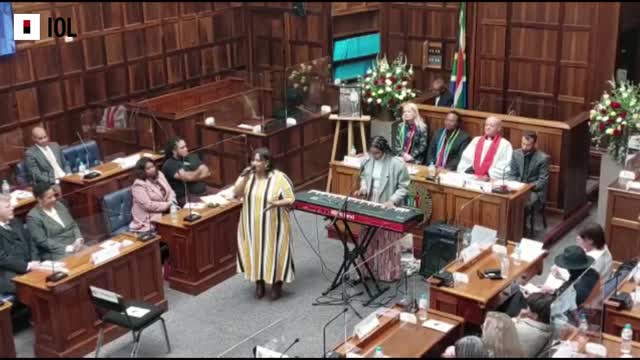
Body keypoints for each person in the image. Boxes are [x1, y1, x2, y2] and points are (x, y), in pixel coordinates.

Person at [233, 148, 295, 301]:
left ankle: (277, 284)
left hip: (275, 225)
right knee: (255, 252)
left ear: (267, 163)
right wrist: (243, 177)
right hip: (251, 224)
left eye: (258, 160)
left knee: (275, 252)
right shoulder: (249, 177)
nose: (254, 163)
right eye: (253, 160)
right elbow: (237, 193)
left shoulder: (279, 178)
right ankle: (259, 282)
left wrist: (277, 203)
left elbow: (291, 198)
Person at [353, 136, 410, 282]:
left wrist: (392, 200)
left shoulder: (397, 164)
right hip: (371, 202)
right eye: (372, 153)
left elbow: (404, 187)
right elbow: (364, 178)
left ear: (384, 150)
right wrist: (363, 188)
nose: (374, 156)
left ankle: (387, 274)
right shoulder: (366, 160)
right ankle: (365, 271)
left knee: (386, 240)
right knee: (367, 239)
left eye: (377, 153)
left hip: (388, 203)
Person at [27, 182, 84, 261]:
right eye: (49, 197)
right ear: (39, 199)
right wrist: (68, 248)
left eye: (54, 195)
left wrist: (79, 239)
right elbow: (43, 241)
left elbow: (73, 224)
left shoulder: (59, 205)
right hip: (57, 252)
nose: (54, 199)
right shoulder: (33, 217)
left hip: (76, 245)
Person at [0, 195, 39, 296]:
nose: (12, 208)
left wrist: (35, 259)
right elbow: (3, 259)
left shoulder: (16, 221)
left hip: (32, 264)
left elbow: (31, 241)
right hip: (10, 272)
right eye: (8, 207)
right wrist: (27, 266)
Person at [457, 116, 513, 181]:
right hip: (472, 178)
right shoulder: (476, 140)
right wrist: (471, 173)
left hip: (491, 180)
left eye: (491, 126)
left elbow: (504, 166)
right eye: (486, 125)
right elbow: (466, 159)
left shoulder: (505, 144)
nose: (487, 127)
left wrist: (487, 176)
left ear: (499, 128)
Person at [130, 157, 176, 233]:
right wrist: (167, 205)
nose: (152, 169)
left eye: (153, 166)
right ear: (142, 171)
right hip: (150, 217)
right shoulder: (138, 185)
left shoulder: (160, 175)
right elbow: (148, 205)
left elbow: (170, 191)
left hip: (166, 210)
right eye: (148, 168)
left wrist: (172, 202)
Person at [162, 137, 212, 205]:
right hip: (186, 197)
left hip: (204, 190)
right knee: (208, 206)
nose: (186, 149)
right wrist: (199, 170)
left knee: (225, 199)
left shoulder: (191, 157)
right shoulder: (170, 164)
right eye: (182, 148)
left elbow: (207, 173)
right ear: (174, 151)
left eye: (186, 146)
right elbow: (188, 178)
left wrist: (193, 176)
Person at [508, 131, 550, 211]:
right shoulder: (515, 154)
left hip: (534, 191)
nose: (524, 147)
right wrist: (518, 185)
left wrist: (527, 187)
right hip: (518, 188)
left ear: (534, 144)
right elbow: (512, 175)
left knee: (523, 204)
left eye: (528, 145)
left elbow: (543, 180)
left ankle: (522, 223)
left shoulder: (543, 158)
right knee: (507, 200)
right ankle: (513, 223)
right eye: (523, 143)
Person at [513, 293, 554, 358]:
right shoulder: (551, 330)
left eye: (528, 307)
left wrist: (518, 317)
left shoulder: (521, 329)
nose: (525, 309)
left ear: (535, 316)